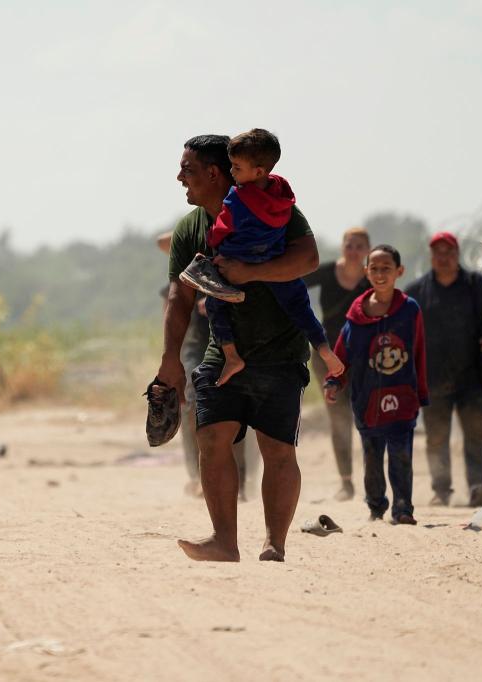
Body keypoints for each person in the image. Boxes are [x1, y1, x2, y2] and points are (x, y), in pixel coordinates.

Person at [156, 134, 319, 563]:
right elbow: (179, 297)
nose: (179, 178)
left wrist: (251, 272)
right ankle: (224, 542)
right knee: (211, 436)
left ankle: (274, 543)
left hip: (280, 348)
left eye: (187, 169)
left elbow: (308, 259)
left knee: (277, 448)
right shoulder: (190, 228)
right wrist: (170, 361)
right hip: (222, 348)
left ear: (214, 173)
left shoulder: (272, 206)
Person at [179, 129, 343, 388]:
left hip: (236, 258)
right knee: (301, 308)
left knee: (214, 302)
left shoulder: (237, 197)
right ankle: (324, 349)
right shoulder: (282, 195)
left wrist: (213, 240)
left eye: (236, 167)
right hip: (273, 256)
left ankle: (231, 356)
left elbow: (224, 226)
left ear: (257, 171)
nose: (232, 172)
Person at [323, 245, 428, 524]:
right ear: (365, 272)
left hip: (403, 397)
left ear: (399, 271)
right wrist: (334, 380)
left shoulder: (409, 310)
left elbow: (419, 352)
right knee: (372, 456)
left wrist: (421, 392)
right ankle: (376, 506)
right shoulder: (356, 314)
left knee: (401, 454)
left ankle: (403, 508)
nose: (380, 274)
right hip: (366, 399)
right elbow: (342, 353)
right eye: (375, 269)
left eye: (386, 268)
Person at [405, 231, 482, 507]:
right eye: (438, 252)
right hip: (432, 378)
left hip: (474, 376)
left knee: (476, 435)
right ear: (431, 257)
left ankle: (476, 487)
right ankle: (441, 491)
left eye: (449, 252)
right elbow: (401, 324)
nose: (444, 257)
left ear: (458, 254)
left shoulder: (476, 284)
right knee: (437, 438)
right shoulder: (417, 291)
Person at [156, 233, 257, 500]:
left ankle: (240, 481)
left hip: (232, 347)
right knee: (190, 408)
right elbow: (161, 242)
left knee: (236, 412)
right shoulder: (180, 279)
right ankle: (197, 477)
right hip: (193, 350)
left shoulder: (228, 267)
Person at [303, 227, 372, 500]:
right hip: (327, 355)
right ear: (343, 247)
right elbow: (292, 285)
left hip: (363, 358)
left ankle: (373, 480)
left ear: (367, 250)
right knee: (339, 417)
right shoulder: (327, 272)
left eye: (359, 246)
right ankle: (346, 482)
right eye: (349, 245)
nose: (353, 251)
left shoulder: (372, 278)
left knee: (366, 416)